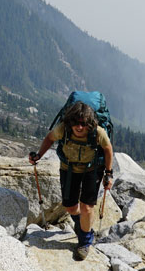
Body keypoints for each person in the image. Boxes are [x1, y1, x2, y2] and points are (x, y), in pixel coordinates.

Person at [29, 101, 113, 260]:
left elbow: (108, 149)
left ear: (89, 122)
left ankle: (85, 241)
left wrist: (109, 173)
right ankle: (84, 225)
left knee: (87, 208)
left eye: (83, 124)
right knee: (70, 206)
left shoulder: (98, 132)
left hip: (92, 169)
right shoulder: (63, 128)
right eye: (75, 123)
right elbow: (49, 138)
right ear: (70, 122)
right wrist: (39, 155)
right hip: (69, 168)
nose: (79, 127)